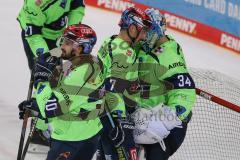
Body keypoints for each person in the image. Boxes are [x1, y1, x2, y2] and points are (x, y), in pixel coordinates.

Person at [18, 24, 103, 160]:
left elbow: (50, 109)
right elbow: (70, 101)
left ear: (80, 48)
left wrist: (41, 81)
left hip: (71, 139)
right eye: (63, 40)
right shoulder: (87, 63)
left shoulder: (81, 74)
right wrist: (35, 106)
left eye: (68, 42)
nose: (62, 45)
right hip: (86, 134)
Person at [17, 0, 85, 151]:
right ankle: (38, 131)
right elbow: (33, 34)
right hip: (37, 37)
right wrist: (45, 56)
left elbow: (77, 7)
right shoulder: (34, 4)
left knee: (59, 76)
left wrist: (70, 32)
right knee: (44, 75)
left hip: (59, 37)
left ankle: (46, 119)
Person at [132, 8, 196, 160]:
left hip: (167, 126)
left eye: (146, 30)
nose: (142, 34)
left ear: (156, 31)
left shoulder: (169, 57)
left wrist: (162, 122)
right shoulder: (146, 46)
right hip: (143, 117)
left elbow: (185, 92)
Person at [96, 7, 152, 160]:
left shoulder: (112, 40)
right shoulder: (123, 53)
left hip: (101, 111)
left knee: (103, 154)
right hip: (114, 114)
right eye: (143, 31)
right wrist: (119, 121)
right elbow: (112, 87)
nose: (144, 36)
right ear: (133, 28)